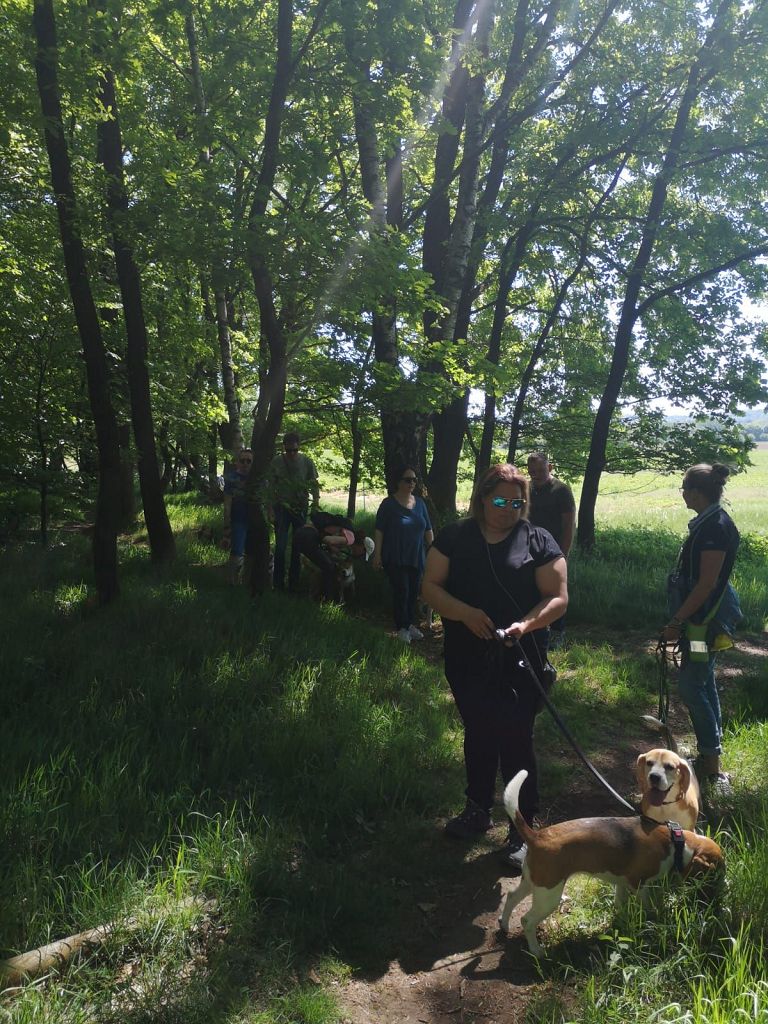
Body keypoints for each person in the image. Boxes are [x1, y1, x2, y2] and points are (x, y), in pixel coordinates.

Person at [421, 463, 568, 871]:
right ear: (482, 498)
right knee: (478, 730)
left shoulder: (538, 540)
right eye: (500, 501)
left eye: (517, 503)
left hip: (521, 656)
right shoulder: (454, 537)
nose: (508, 510)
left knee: (516, 738)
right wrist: (464, 613)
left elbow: (558, 597)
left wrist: (526, 624)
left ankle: (523, 828)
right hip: (466, 655)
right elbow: (430, 586)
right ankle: (477, 809)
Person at [662, 463, 740, 792]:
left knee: (692, 687)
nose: (682, 494)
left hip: (703, 625)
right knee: (703, 680)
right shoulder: (709, 523)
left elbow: (706, 584)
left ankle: (712, 768)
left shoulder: (714, 529)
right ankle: (710, 757)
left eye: (684, 488)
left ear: (696, 493)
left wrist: (676, 621)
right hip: (699, 622)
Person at [373, 465, 434, 643]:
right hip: (395, 556)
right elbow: (379, 531)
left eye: (414, 480)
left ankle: (409, 624)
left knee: (413, 592)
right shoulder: (388, 504)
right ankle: (402, 627)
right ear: (398, 482)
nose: (412, 483)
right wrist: (377, 554)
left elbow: (428, 530)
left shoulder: (420, 504)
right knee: (402, 590)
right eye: (408, 480)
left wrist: (434, 551)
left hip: (416, 556)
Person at [526, 452, 575, 648]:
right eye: (532, 472)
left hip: (553, 549)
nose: (536, 475)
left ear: (550, 467)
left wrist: (564, 553)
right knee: (531, 589)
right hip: (529, 548)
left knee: (555, 591)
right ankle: (534, 628)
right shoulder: (527, 489)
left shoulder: (561, 490)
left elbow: (569, 525)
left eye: (540, 470)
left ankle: (557, 632)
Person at [268, 432, 320, 591]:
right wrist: (270, 508)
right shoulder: (276, 462)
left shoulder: (307, 462)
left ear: (299, 447)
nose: (291, 453)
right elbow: (270, 487)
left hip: (300, 508)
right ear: (284, 447)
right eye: (288, 450)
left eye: (294, 450)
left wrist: (315, 505)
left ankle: (294, 584)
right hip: (281, 508)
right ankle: (278, 584)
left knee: (298, 547)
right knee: (281, 547)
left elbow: (314, 485)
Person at [292, 510, 356, 601]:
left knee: (317, 565)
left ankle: (293, 591)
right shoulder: (351, 538)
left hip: (299, 534)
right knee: (329, 567)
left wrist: (331, 548)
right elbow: (329, 540)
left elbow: (329, 542)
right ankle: (329, 599)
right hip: (308, 537)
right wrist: (323, 539)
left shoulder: (333, 524)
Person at [222, 448, 253, 584]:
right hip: (238, 519)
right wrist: (226, 524)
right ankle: (232, 582)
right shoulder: (231, 478)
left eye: (248, 461)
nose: (245, 463)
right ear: (237, 462)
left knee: (253, 552)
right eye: (242, 460)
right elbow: (227, 503)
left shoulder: (258, 478)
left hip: (254, 520)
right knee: (237, 551)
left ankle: (248, 581)